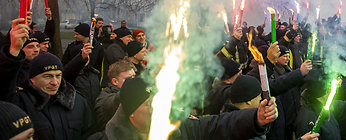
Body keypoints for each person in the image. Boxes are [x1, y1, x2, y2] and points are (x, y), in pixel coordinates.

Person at [89, 77, 278, 140]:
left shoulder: (178, 126)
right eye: (149, 104)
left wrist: (255, 118)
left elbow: (216, 124)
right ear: (131, 113)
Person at [0, 17, 94, 140]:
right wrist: (13, 50)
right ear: (32, 79)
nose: (55, 82)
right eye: (47, 76)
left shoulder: (78, 102)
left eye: (58, 76)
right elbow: (5, 85)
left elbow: (89, 133)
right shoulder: (20, 102)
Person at [223, 75, 319, 140]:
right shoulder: (243, 131)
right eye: (259, 97)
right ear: (248, 101)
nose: (261, 99)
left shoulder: (228, 121)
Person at [95, 59, 137, 131]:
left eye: (134, 77)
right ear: (115, 81)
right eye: (128, 79)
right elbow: (111, 102)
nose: (133, 81)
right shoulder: (104, 98)